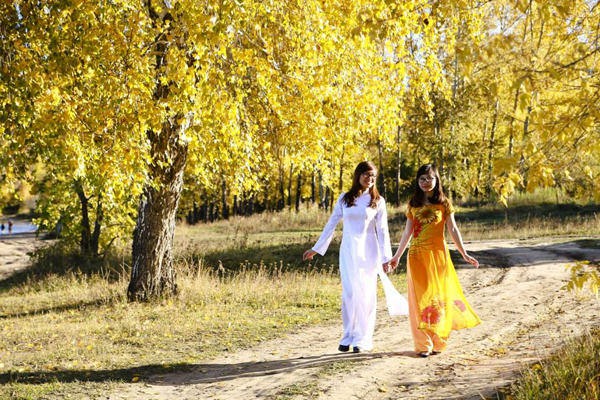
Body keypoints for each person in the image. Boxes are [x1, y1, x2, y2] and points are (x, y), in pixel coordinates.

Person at [303, 161, 408, 353]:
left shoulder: (378, 201)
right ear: (358, 175)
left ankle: (363, 339)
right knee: (350, 293)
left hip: (369, 251)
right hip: (349, 250)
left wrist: (387, 258)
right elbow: (332, 223)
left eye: (373, 176)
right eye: (366, 174)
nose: (369, 179)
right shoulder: (345, 198)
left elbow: (382, 231)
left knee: (366, 294)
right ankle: (347, 336)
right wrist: (316, 248)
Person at [386, 163, 481, 357]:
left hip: (438, 255)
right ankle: (423, 344)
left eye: (430, 178)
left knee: (439, 297)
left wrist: (464, 253)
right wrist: (397, 256)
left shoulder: (444, 203)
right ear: (417, 181)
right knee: (418, 299)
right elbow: (407, 232)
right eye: (422, 179)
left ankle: (439, 341)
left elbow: (453, 229)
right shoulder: (413, 203)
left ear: (437, 180)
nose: (426, 182)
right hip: (417, 255)